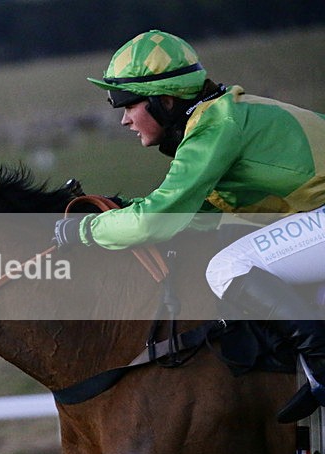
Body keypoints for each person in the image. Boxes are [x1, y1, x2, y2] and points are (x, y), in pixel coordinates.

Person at [53, 29, 325, 422]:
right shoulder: (219, 114)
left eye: (128, 105)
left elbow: (158, 221)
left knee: (230, 267)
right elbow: (200, 216)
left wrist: (84, 233)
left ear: (165, 100)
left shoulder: (216, 125)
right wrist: (122, 210)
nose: (125, 120)